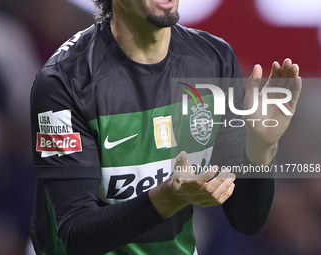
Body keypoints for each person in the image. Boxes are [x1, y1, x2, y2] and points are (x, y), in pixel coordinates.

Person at [30, 0, 302, 254]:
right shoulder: (64, 82)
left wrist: (261, 144)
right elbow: (76, 235)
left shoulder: (212, 62)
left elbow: (246, 220)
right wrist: (168, 198)